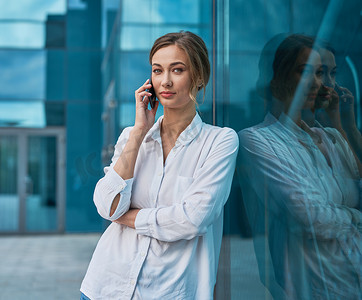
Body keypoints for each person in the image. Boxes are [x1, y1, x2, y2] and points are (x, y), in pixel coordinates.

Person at [80, 31, 239, 299]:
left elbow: (192, 220)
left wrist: (127, 217)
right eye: (157, 70)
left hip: (170, 290)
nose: (165, 81)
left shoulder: (220, 141)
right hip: (105, 286)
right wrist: (140, 130)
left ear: (199, 77)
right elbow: (106, 204)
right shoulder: (132, 135)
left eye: (177, 70)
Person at [238, 34, 361, 299]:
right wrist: (354, 217)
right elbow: (312, 217)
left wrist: (344, 125)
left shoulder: (329, 137)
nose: (317, 83)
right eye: (306, 72)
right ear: (278, 78)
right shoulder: (257, 140)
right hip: (316, 287)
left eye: (320, 74)